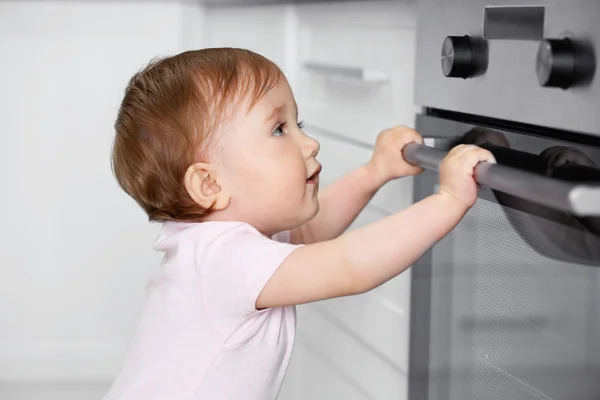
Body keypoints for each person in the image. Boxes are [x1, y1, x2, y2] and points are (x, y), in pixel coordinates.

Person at [104, 47, 495, 400]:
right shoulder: (222, 259)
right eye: (279, 129)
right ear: (209, 183)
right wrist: (448, 200)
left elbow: (309, 233)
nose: (310, 143)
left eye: (298, 123)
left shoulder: (220, 246)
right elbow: (348, 267)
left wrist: (374, 172)